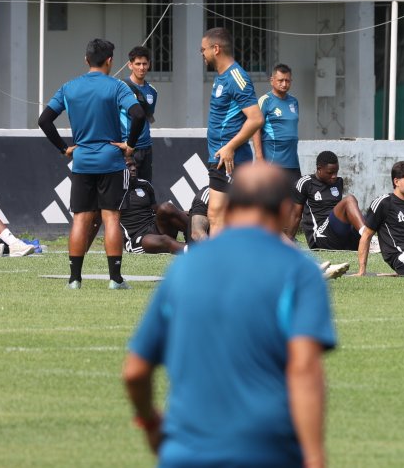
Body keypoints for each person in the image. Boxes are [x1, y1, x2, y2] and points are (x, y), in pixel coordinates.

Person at [123, 162, 335, 467]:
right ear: (286, 209)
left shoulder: (184, 268)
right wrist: (314, 457)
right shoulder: (299, 271)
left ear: (231, 206)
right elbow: (304, 370)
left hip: (184, 454)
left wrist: (151, 424)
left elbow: (135, 371)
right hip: (265, 452)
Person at [38, 38, 146, 290]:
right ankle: (115, 279)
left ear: (86, 60)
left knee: (80, 219)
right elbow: (138, 114)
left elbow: (44, 120)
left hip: (82, 162)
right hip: (110, 161)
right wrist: (130, 144)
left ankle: (74, 279)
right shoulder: (117, 87)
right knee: (111, 218)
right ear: (110, 61)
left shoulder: (69, 87)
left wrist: (64, 148)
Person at [202, 27, 262, 235]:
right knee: (240, 217)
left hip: (228, 158)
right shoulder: (222, 77)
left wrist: (229, 147)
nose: (202, 54)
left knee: (217, 215)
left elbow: (256, 118)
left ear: (216, 49)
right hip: (220, 156)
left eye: (203, 49)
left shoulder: (236, 77)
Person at [293, 151, 369, 250]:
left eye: (336, 172)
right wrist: (289, 239)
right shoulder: (305, 183)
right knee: (349, 200)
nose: (334, 176)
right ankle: (367, 236)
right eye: (330, 173)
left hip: (338, 236)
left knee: (374, 212)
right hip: (320, 236)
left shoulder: (338, 182)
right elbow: (295, 215)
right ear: (319, 169)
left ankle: (372, 241)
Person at [119, 158, 188, 255]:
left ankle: (200, 237)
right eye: (129, 165)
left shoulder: (144, 184)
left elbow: (156, 209)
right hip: (137, 237)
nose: (134, 168)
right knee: (165, 240)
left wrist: (181, 213)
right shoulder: (112, 192)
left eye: (134, 165)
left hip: (154, 226)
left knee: (167, 207)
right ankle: (200, 251)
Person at [252, 64, 301, 190]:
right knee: (272, 203)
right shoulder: (265, 100)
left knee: (295, 203)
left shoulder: (294, 101)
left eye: (287, 80)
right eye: (280, 80)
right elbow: (255, 128)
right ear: (272, 80)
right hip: (273, 162)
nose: (284, 84)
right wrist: (259, 158)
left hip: (293, 163)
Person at [123, 46, 158, 182]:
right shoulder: (121, 87)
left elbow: (147, 117)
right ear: (130, 65)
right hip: (127, 149)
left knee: (145, 189)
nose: (141, 67)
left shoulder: (153, 91)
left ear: (149, 64)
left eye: (144, 64)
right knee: (126, 192)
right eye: (137, 64)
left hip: (146, 147)